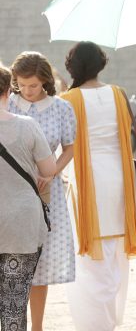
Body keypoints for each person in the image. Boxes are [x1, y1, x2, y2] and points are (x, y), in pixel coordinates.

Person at [61, 41, 136, 331]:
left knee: (90, 259)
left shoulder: (68, 99)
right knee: (116, 252)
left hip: (88, 181)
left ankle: (94, 323)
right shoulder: (118, 94)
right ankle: (111, 318)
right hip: (119, 178)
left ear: (72, 67)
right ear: (101, 63)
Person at [9, 52, 76, 331]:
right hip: (12, 192)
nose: (27, 91)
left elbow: (70, 147)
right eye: (22, 85)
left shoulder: (61, 108)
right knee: (12, 262)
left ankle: (37, 326)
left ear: (45, 82)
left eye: (33, 85)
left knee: (40, 266)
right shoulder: (9, 104)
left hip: (48, 194)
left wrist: (52, 171)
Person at [0, 64, 56, 331]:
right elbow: (49, 170)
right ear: (8, 92)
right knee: (13, 304)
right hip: (21, 224)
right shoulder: (27, 126)